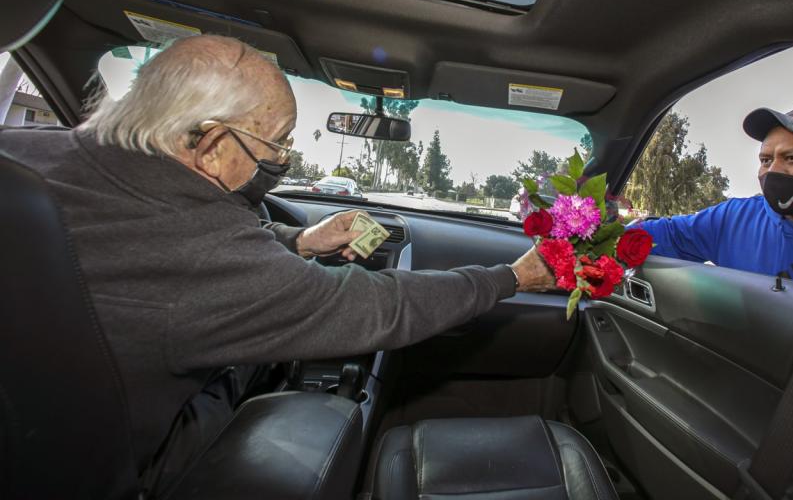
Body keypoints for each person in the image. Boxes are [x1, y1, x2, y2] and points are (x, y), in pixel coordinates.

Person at [0, 35, 553, 495]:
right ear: (212, 144)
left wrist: (297, 242)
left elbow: (161, 255)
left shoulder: (22, 153)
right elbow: (380, 306)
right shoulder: (206, 248)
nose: (283, 162)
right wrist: (512, 276)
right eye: (277, 144)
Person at [630, 106, 793, 284]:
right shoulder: (735, 218)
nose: (772, 170)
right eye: (766, 160)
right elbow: (670, 236)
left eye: (792, 158)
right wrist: (602, 231)